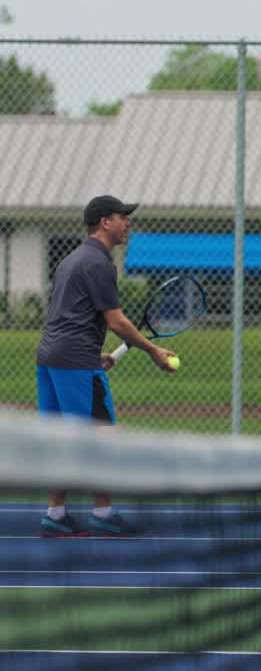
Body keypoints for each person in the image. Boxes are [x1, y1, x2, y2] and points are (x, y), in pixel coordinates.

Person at [36, 195, 177, 538]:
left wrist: (96, 354)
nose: (128, 223)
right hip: (75, 360)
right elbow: (115, 321)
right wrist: (154, 350)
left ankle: (55, 515)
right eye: (122, 217)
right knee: (104, 436)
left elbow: (69, 316)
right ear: (104, 222)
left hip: (50, 357)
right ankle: (103, 513)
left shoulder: (71, 259)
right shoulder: (99, 263)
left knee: (61, 438)